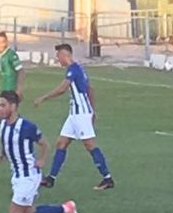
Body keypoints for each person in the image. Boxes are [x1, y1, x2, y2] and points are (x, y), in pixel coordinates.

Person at [0, 91, 81, 213]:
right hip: (17, 175)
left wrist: (42, 159)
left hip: (29, 176)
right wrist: (2, 153)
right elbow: (5, 140)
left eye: (3, 105)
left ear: (13, 106)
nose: (0, 109)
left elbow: (44, 144)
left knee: (14, 212)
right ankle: (66, 208)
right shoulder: (2, 123)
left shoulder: (27, 127)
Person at [34, 43, 114, 191]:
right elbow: (89, 89)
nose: (57, 59)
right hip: (74, 114)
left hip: (81, 114)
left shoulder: (73, 69)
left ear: (65, 55)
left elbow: (62, 89)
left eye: (58, 56)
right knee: (61, 144)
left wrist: (43, 98)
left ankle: (107, 179)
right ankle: (51, 179)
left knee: (90, 145)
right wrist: (93, 110)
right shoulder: (80, 68)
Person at [0, 31, 24, 96]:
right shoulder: (3, 56)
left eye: (2, 42)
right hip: (5, 90)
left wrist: (19, 89)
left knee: (2, 102)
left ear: (6, 43)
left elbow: (20, 71)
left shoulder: (11, 54)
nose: (0, 44)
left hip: (12, 91)